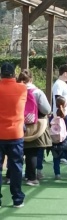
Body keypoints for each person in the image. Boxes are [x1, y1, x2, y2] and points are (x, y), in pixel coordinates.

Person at [18, 70, 52, 186]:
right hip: (34, 125)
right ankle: (31, 178)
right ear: (31, 79)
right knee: (31, 153)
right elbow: (46, 110)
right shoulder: (37, 92)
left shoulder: (16, 91)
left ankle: (10, 176)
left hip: (17, 124)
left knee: (16, 152)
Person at [0, 62, 27, 208]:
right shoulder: (22, 89)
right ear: (13, 74)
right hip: (16, 134)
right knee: (16, 167)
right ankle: (17, 198)